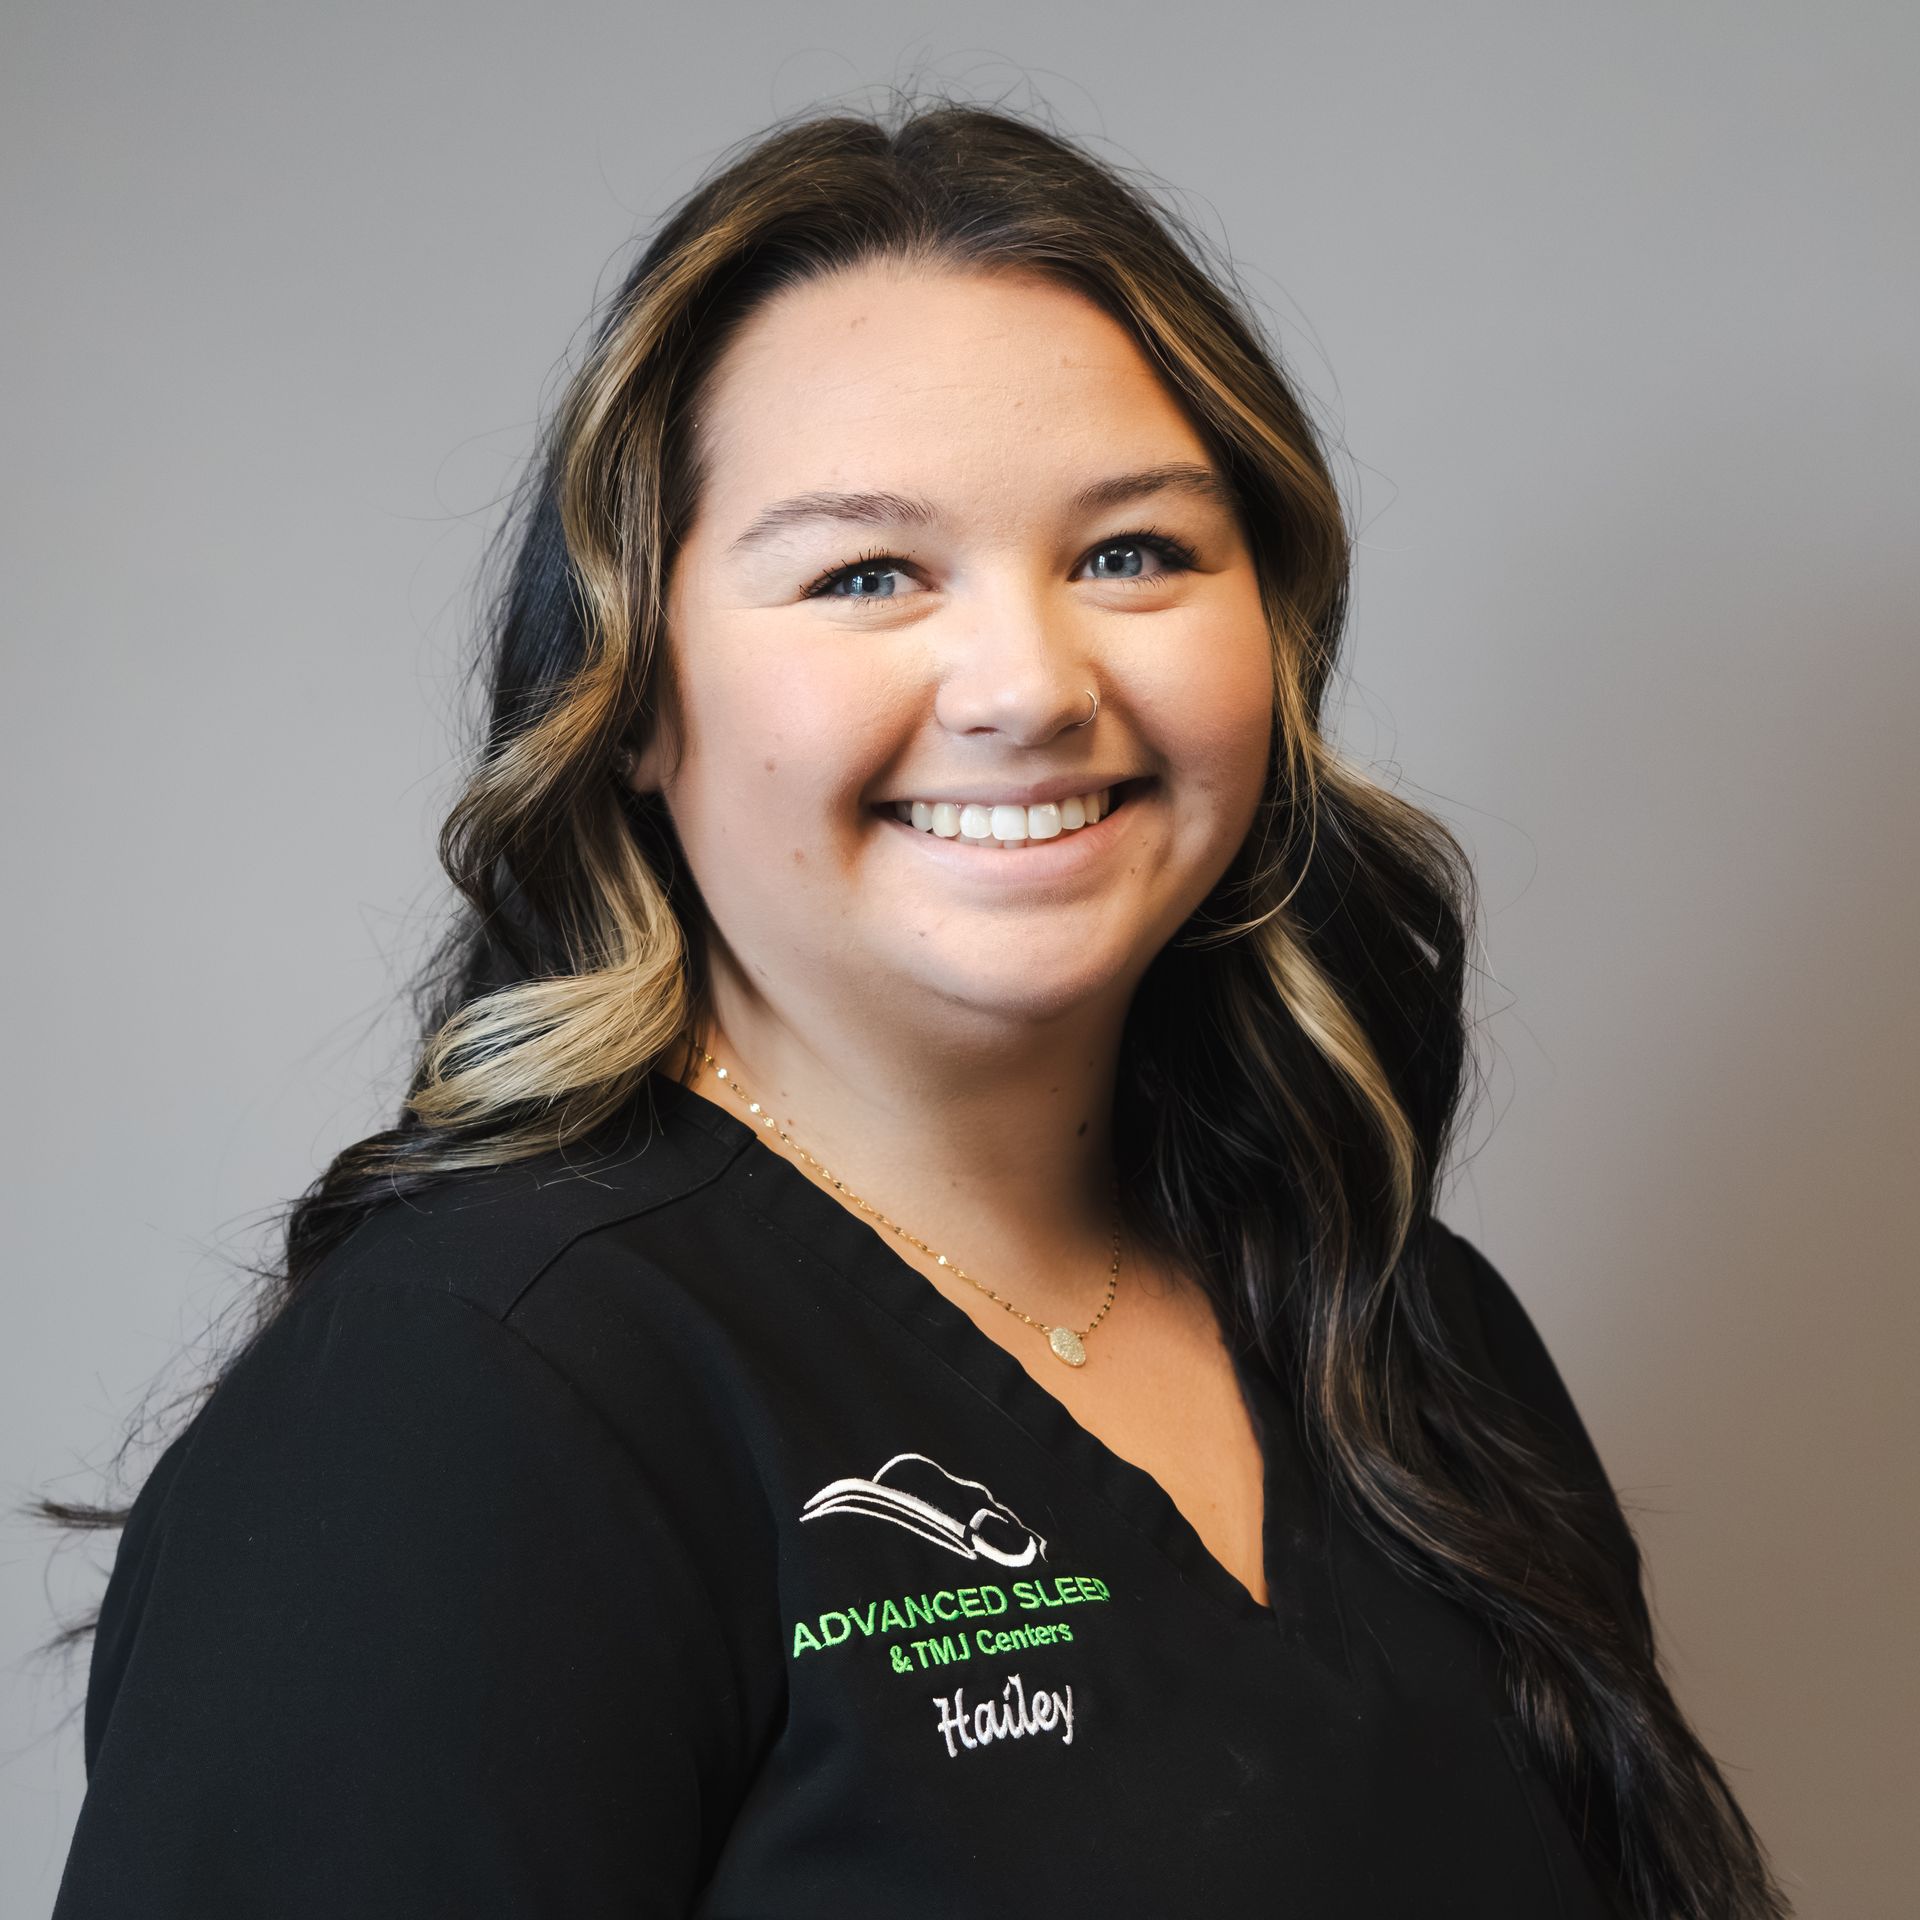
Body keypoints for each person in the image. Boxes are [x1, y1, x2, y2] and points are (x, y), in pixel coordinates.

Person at [44, 99, 1786, 1918]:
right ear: (632, 699)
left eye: (1132, 553)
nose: (1029, 684)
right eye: (866, 573)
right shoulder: (459, 1406)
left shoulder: (1402, 1321)